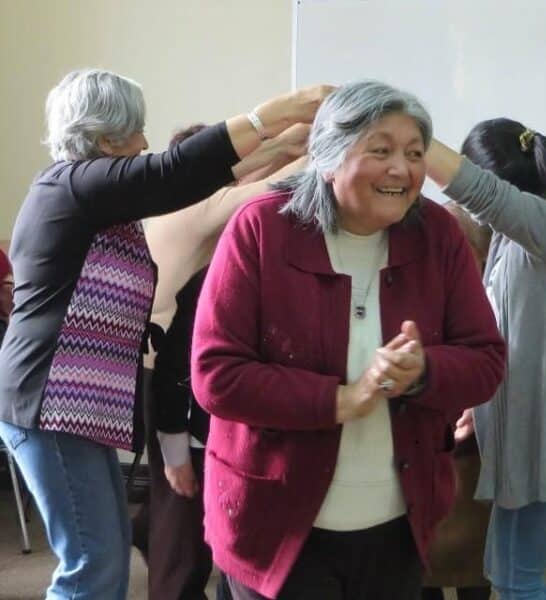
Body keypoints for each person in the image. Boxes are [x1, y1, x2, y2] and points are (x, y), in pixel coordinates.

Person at [0, 67, 330, 600]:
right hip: (47, 405)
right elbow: (177, 173)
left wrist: (283, 144)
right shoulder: (73, 187)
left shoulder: (95, 197)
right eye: (136, 132)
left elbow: (199, 183)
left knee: (102, 560)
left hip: (71, 410)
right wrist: (282, 110)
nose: (144, 142)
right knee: (91, 566)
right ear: (106, 138)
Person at [191, 80, 506, 600]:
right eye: (380, 151)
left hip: (398, 526)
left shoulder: (439, 235)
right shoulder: (262, 229)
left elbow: (486, 360)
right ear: (328, 159)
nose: (401, 169)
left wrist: (423, 371)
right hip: (276, 524)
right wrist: (341, 400)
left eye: (414, 153)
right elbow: (216, 375)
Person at [131, 122, 309, 600]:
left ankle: (148, 526)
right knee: (181, 520)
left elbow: (254, 173)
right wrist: (328, 143)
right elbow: (270, 183)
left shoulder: (193, 203)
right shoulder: (193, 207)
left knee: (177, 506)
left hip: (173, 371)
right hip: (164, 376)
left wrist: (288, 140)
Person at [425, 120, 546, 599]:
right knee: (506, 574)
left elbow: (480, 193)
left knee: (518, 581)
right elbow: (514, 339)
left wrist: (402, 136)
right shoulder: (513, 241)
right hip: (528, 439)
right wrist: (479, 405)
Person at [422, 202, 492, 600]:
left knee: (473, 570)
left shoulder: (492, 302)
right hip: (424, 453)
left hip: (473, 454)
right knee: (422, 571)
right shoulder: (410, 297)